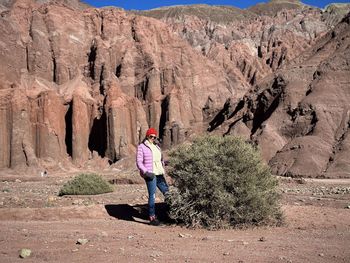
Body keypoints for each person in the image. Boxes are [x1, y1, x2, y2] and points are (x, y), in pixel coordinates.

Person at [136, 128, 169, 226]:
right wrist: (146, 172)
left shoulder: (157, 146)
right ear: (147, 136)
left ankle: (171, 213)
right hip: (150, 174)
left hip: (159, 173)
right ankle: (152, 217)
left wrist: (165, 163)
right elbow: (139, 162)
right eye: (151, 136)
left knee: (168, 192)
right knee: (152, 196)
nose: (153, 138)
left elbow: (158, 160)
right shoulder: (142, 147)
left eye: (154, 137)